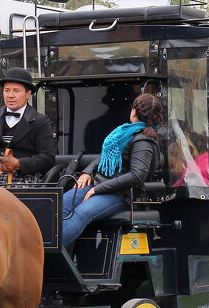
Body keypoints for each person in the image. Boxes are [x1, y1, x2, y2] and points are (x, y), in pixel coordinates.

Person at [61, 93, 164, 247]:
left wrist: (98, 189)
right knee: (60, 206)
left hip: (120, 194)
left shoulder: (144, 140)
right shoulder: (125, 133)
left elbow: (137, 176)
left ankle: (43, 252)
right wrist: (87, 172)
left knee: (80, 213)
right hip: (99, 184)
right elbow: (105, 155)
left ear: (134, 112)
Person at [0, 67, 56, 182]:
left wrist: (18, 164)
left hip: (25, 178)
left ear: (27, 94)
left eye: (16, 91)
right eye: (7, 90)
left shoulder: (40, 121)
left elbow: (47, 158)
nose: (10, 95)